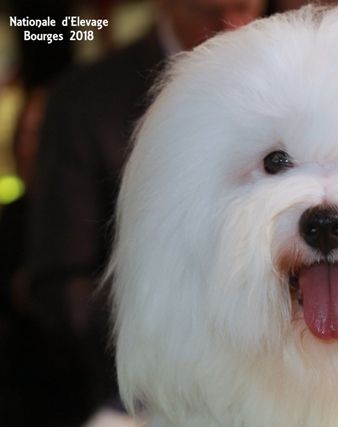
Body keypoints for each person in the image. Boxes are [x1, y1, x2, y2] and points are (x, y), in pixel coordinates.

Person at [26, 0, 267, 424]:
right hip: (149, 395)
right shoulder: (83, 101)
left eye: (246, 10)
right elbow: (60, 279)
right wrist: (174, 326)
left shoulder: (290, 77)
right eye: (209, 14)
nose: (233, 28)